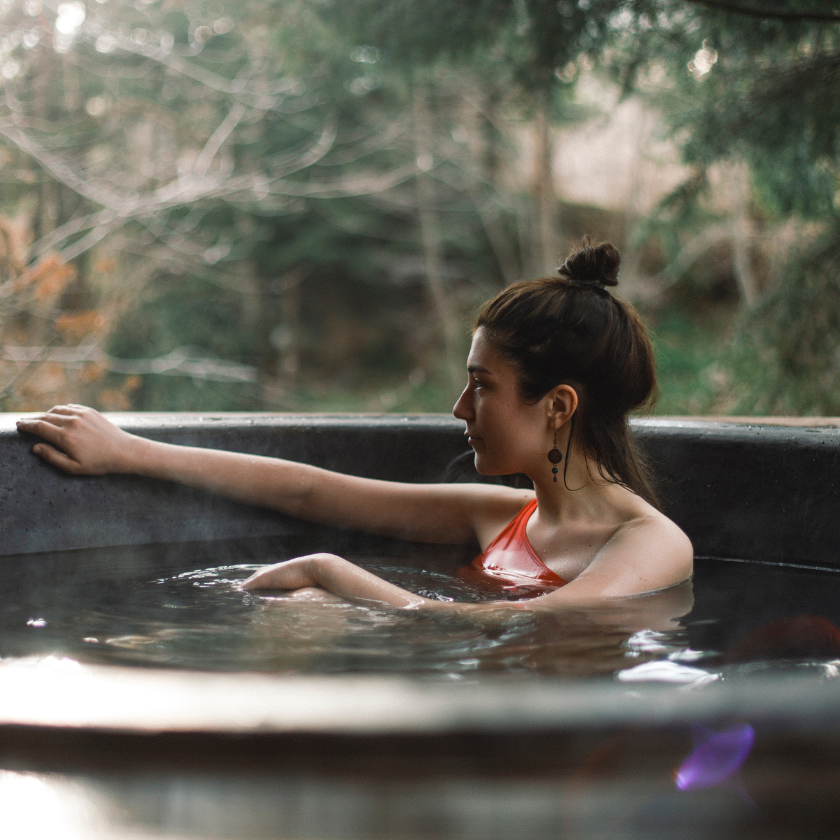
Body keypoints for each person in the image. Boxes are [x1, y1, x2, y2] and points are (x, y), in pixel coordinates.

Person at [16, 239, 692, 612]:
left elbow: (499, 628)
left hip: (553, 759)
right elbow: (309, 493)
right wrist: (129, 452)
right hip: (471, 704)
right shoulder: (506, 514)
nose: (460, 408)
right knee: (302, 605)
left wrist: (328, 567)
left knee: (312, 590)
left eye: (482, 386)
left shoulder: (652, 545)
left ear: (558, 407)